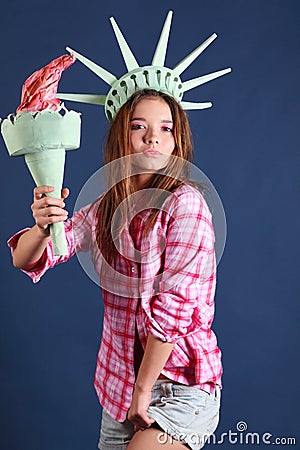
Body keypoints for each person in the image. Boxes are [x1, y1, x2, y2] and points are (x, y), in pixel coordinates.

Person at [8, 88, 222, 450]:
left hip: (180, 384)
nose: (153, 136)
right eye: (139, 125)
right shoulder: (107, 207)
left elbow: (173, 312)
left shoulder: (186, 204)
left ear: (177, 140)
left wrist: (143, 391)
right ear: (122, 134)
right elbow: (29, 259)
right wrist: (44, 226)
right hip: (117, 387)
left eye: (166, 128)